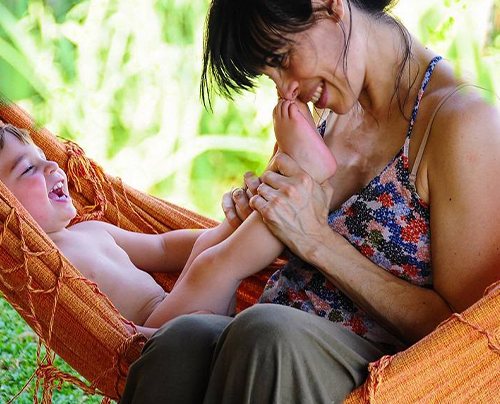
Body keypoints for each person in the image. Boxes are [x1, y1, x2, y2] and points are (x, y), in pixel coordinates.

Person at [119, 0, 500, 403]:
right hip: (265, 346)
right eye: (271, 76)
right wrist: (260, 214)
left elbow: (471, 336)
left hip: (384, 376)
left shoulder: (461, 123)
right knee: (180, 341)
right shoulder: (323, 117)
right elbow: (253, 247)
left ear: (327, 2)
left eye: (282, 59)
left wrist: (317, 241)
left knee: (266, 335)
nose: (286, 91)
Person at [0, 91, 336, 331]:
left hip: (181, 310)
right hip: (155, 337)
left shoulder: (89, 231)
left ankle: (287, 173)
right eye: (28, 169)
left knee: (209, 251)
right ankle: (303, 174)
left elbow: (161, 248)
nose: (52, 168)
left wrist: (229, 226)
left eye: (46, 158)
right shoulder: (44, 268)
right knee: (210, 264)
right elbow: (95, 327)